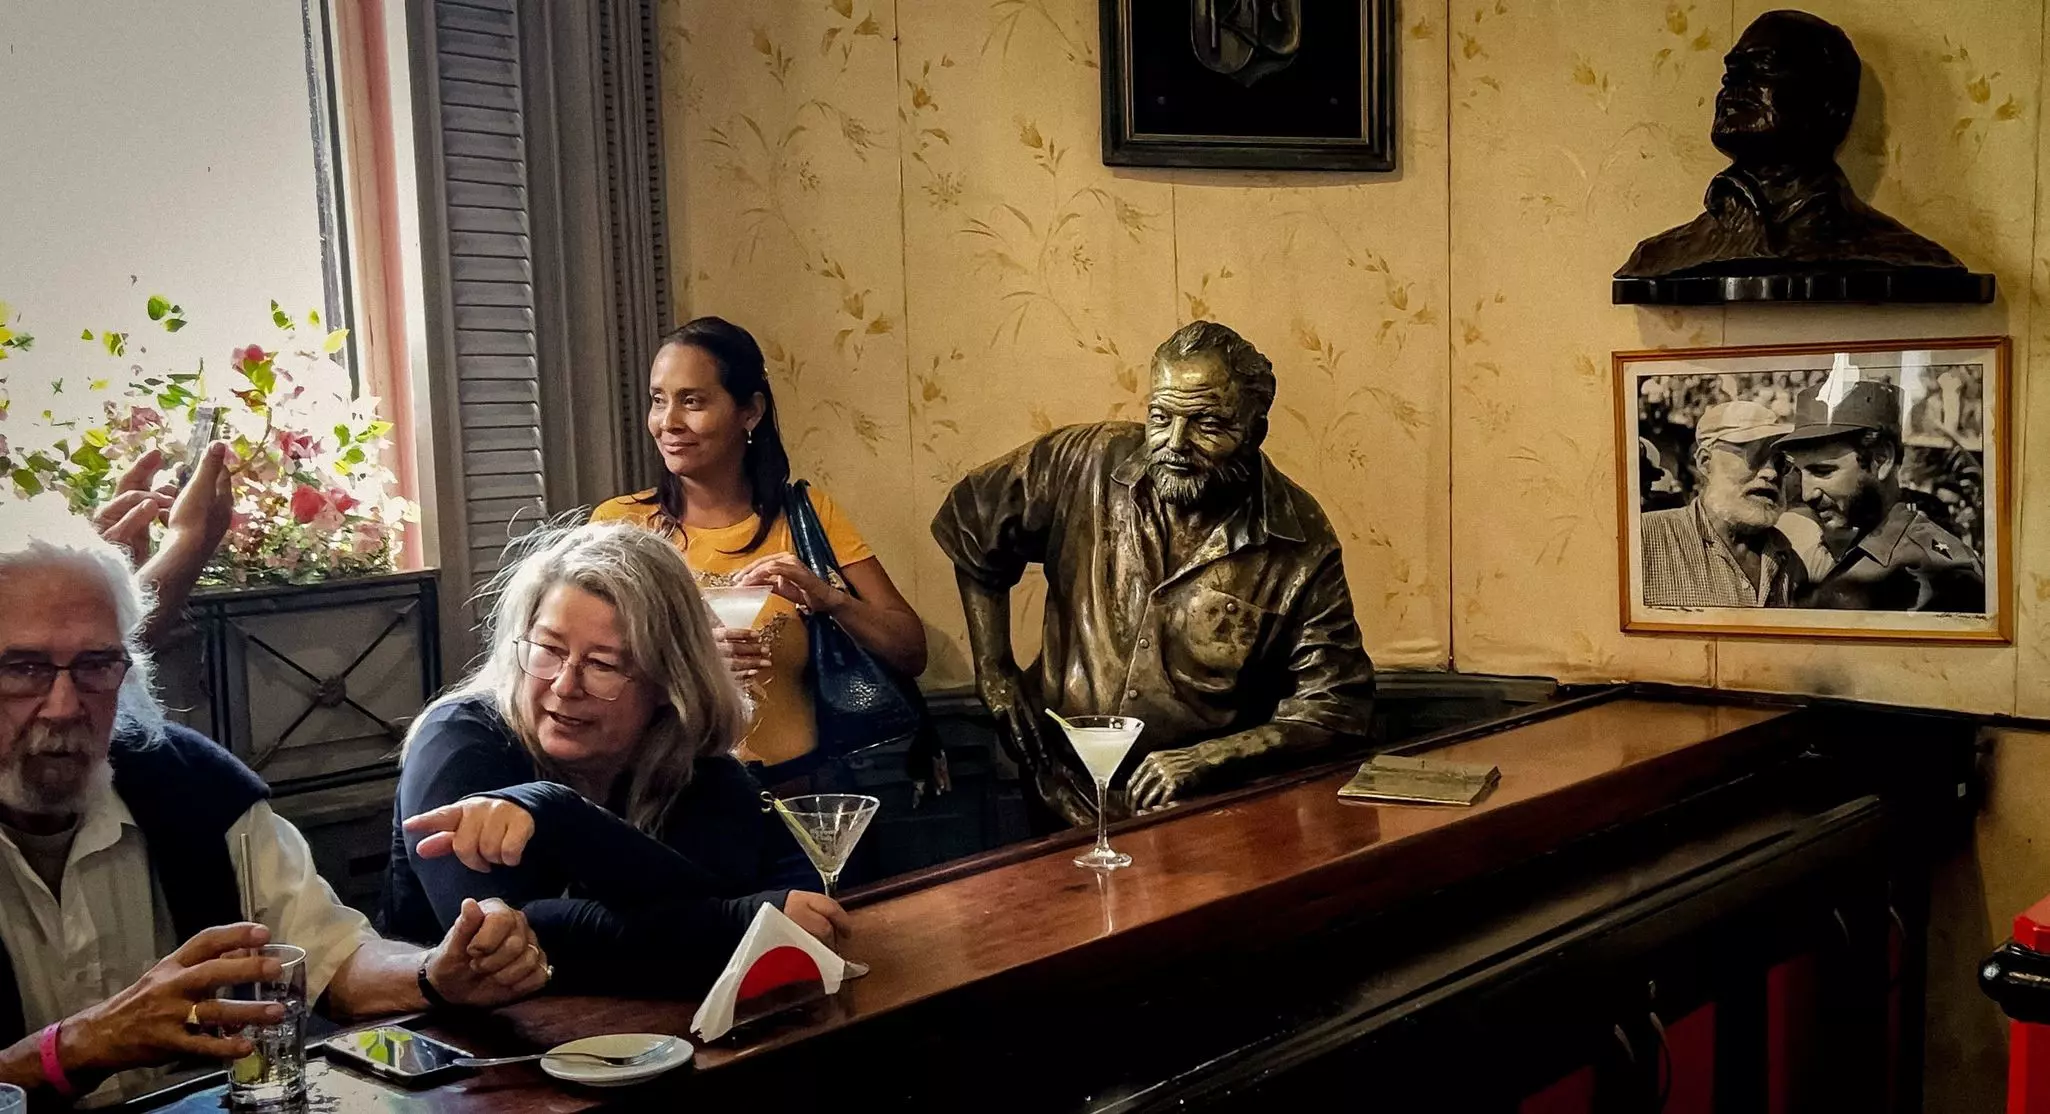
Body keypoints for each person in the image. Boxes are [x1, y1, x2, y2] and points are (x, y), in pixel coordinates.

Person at [0, 506, 547, 1108]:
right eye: (23, 669)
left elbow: (333, 958)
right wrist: (76, 1048)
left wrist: (436, 973)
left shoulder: (194, 787)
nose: (64, 706)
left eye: (95, 666)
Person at [932, 320, 1376, 828]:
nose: (1175, 443)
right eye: (1161, 417)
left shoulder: (1299, 539)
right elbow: (973, 520)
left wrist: (1208, 759)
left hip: (1203, 818)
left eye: (1207, 424)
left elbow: (1335, 706)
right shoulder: (1086, 461)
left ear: (1255, 431)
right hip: (1060, 789)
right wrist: (993, 670)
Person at [379, 522, 850, 998]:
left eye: (603, 664)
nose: (565, 685)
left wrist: (556, 815)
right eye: (548, 650)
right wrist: (732, 923)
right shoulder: (457, 739)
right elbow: (499, 946)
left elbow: (727, 891)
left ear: (668, 682)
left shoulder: (685, 752)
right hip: (442, 1036)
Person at [590, 317, 927, 783]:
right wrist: (689, 661)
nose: (668, 423)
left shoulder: (808, 515)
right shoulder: (619, 526)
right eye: (658, 400)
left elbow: (911, 652)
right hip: (673, 795)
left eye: (692, 401)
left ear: (750, 412)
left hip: (800, 792)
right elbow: (592, 667)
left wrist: (830, 599)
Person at [1617, 10, 1970, 281]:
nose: (1732, 83)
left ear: (1831, 104)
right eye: (1732, 71)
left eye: (1763, 67)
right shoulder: (1658, 256)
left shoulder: (1902, 252)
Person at [1778, 380, 1985, 612]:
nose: (1807, 494)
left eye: (1823, 471)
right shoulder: (1842, 546)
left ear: (1881, 459)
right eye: (1799, 473)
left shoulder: (1938, 574)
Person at [1640, 400, 1809, 608]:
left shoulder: (1790, 562)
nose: (1771, 473)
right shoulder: (1645, 539)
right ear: (1705, 462)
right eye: (1756, 456)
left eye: (1781, 463)